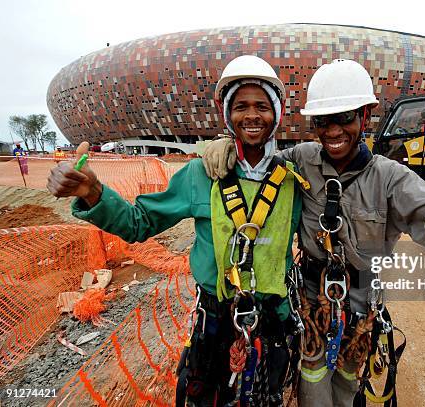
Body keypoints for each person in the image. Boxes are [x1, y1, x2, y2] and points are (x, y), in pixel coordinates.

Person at [201, 59, 425, 406]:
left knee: (346, 383)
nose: (334, 131)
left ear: (365, 117)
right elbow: (258, 158)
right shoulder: (301, 160)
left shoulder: (390, 178)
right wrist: (224, 146)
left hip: (359, 305)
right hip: (310, 302)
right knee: (312, 381)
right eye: (323, 121)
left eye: (345, 118)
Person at [46, 55, 307, 407]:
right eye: (240, 106)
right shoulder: (200, 176)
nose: (251, 115)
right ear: (227, 113)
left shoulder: (294, 179)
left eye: (262, 105)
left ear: (276, 113)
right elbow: (139, 222)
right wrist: (94, 193)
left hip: (272, 322)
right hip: (215, 324)